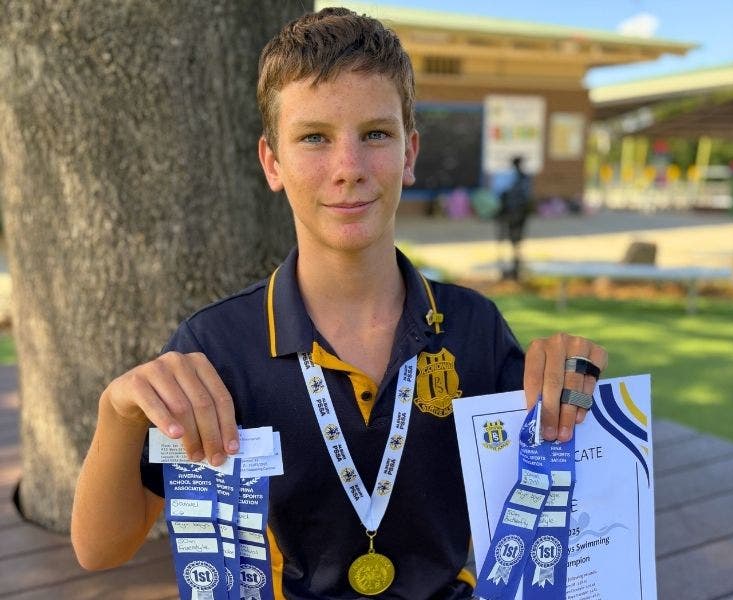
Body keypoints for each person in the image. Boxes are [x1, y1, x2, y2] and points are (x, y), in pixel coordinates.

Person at [71, 8, 607, 599]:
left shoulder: (473, 326)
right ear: (272, 163)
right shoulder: (217, 346)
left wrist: (572, 389)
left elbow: (565, 497)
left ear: (409, 154)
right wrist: (118, 413)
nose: (348, 169)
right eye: (314, 138)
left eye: (375, 134)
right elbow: (101, 548)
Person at [497, 155, 533, 280]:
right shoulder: (522, 178)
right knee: (515, 237)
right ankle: (514, 261)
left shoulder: (513, 178)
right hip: (517, 211)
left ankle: (515, 262)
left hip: (514, 211)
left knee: (513, 237)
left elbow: (504, 194)